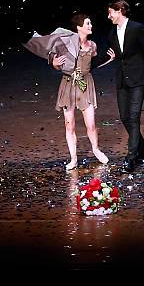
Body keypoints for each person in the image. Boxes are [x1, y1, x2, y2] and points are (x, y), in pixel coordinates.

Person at [91, 0, 144, 172]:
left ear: (120, 11)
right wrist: (86, 66)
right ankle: (141, 150)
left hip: (138, 78)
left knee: (133, 116)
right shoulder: (112, 34)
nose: (108, 16)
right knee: (125, 117)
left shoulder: (137, 28)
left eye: (111, 12)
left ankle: (131, 157)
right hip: (122, 79)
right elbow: (109, 55)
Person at [51, 14, 116, 170]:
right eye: (88, 23)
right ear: (79, 27)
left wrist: (109, 59)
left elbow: (91, 65)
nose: (90, 25)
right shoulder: (65, 45)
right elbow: (58, 64)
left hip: (85, 84)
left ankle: (96, 149)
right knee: (69, 124)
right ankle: (73, 159)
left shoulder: (92, 45)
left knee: (91, 124)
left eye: (90, 23)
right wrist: (54, 63)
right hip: (69, 84)